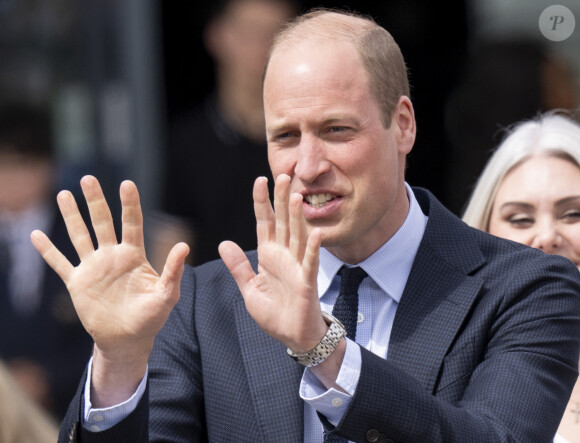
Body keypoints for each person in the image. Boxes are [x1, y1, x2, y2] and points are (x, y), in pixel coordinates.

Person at [31, 8, 580, 442]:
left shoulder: (526, 287)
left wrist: (324, 350)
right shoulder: (204, 304)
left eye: (337, 130)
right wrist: (120, 362)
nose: (308, 165)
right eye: (286, 137)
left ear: (403, 126)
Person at [462, 111, 580, 443]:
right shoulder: (451, 370)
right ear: (483, 234)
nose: (547, 236)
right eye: (520, 219)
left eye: (574, 213)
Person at [157, 0, 299, 268]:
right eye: (250, 33)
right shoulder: (188, 143)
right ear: (217, 36)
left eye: (276, 34)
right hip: (216, 305)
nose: (263, 47)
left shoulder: (310, 140)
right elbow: (170, 256)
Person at [0, 101, 93, 421]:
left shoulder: (86, 229)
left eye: (22, 164)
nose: (10, 178)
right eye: (2, 165)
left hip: (74, 413)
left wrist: (47, 379)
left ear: (49, 166)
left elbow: (112, 329)